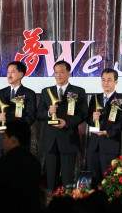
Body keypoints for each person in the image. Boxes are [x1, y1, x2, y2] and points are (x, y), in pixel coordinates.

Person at [37, 60, 88, 191]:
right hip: (50, 141)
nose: (58, 75)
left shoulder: (78, 91)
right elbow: (39, 114)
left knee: (67, 180)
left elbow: (83, 114)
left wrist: (67, 123)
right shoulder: (46, 91)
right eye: (56, 72)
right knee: (50, 180)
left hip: (68, 138)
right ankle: (50, 200)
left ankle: (67, 201)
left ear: (68, 73)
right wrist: (49, 112)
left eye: (61, 72)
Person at [85, 68, 122, 185]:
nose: (106, 83)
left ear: (116, 82)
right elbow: (87, 119)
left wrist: (108, 132)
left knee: (109, 180)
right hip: (94, 145)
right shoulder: (95, 98)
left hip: (110, 144)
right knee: (93, 180)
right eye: (103, 80)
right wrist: (92, 118)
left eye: (109, 80)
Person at [0, 60, 38, 156]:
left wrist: (14, 127)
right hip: (2, 135)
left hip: (20, 136)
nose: (9, 75)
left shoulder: (29, 93)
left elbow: (30, 117)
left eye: (13, 72)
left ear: (21, 74)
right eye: (8, 72)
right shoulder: (1, 93)